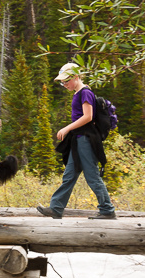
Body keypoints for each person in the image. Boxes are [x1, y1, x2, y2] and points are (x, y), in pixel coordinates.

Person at [37, 63, 117, 220]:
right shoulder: (78, 93)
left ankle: (107, 209)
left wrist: (66, 128)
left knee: (92, 175)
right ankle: (56, 208)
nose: (64, 85)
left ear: (75, 77)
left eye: (66, 81)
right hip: (78, 139)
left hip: (86, 140)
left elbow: (88, 116)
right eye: (62, 82)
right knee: (69, 174)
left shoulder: (85, 93)